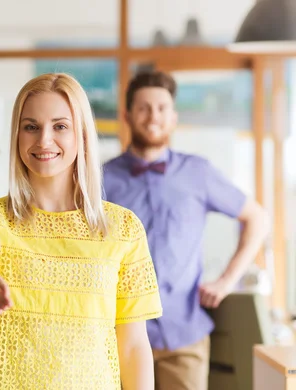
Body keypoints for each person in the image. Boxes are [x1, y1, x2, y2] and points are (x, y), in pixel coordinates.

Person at [0, 73, 163, 390]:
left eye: (60, 126)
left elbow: (132, 347)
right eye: (31, 126)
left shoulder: (123, 229)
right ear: (17, 135)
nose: (44, 140)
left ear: (82, 136)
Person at [102, 70, 269, 390]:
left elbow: (257, 219)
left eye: (162, 108)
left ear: (174, 117)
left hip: (185, 336)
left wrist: (225, 281)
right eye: (144, 108)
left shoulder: (198, 172)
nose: (154, 117)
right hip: (119, 336)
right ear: (127, 115)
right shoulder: (101, 180)